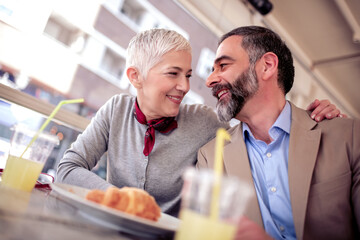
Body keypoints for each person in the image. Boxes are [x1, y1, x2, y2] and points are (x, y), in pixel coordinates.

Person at [56, 28, 344, 217]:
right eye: (173, 74)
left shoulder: (205, 121)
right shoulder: (115, 110)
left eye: (188, 75)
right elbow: (68, 168)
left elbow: (261, 133)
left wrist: (310, 121)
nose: (184, 86)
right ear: (135, 77)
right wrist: (125, 201)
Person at [197, 26, 360, 239]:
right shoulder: (210, 159)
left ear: (267, 66)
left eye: (223, 66)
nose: (209, 80)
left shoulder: (349, 135)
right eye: (212, 69)